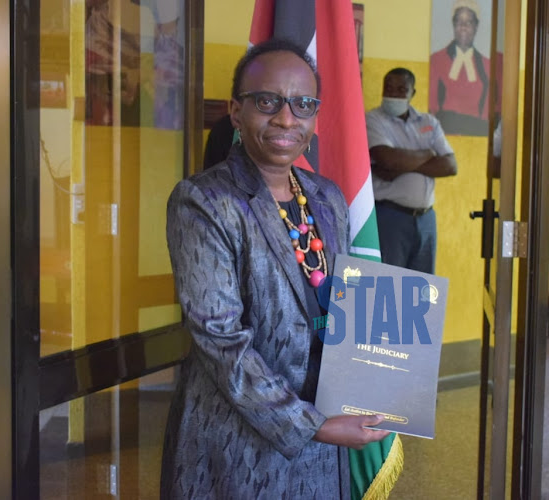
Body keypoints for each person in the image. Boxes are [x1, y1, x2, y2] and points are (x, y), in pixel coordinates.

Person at [161, 38, 390, 499]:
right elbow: (221, 341)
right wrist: (313, 426)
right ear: (236, 111)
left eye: (303, 104)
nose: (287, 118)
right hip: (237, 445)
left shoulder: (327, 198)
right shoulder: (205, 202)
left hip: (327, 437)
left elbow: (348, 304)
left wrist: (392, 373)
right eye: (268, 101)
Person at [366, 67, 457, 274]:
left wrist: (399, 167)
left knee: (421, 291)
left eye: (401, 90)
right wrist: (428, 154)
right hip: (390, 216)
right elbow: (387, 159)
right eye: (389, 89)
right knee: (389, 284)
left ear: (412, 93)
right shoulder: (373, 119)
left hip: (426, 218)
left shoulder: (429, 122)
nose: (394, 94)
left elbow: (450, 166)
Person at [429, 0, 491, 136]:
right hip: (443, 135)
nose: (463, 27)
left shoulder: (487, 66)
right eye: (459, 21)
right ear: (453, 24)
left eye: (469, 22)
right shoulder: (436, 60)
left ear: (476, 26)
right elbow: (429, 109)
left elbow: (488, 114)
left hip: (477, 136)